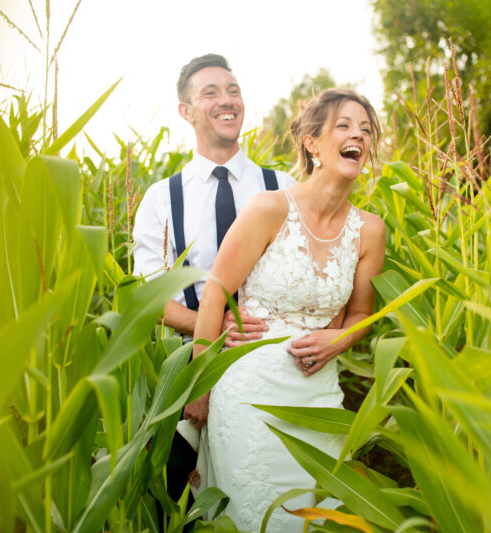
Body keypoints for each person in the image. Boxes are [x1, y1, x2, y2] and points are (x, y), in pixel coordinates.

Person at [184, 88, 386, 532]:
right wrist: (199, 386)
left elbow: (360, 317)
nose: (359, 135)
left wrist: (342, 338)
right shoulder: (270, 208)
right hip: (248, 397)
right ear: (313, 143)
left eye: (367, 130)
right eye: (345, 125)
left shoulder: (370, 232)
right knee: (254, 516)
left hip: (318, 400)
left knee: (317, 517)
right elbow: (216, 295)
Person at [131, 54, 294, 505]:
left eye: (234, 90)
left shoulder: (281, 185)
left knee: (264, 495)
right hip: (189, 370)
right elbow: (149, 298)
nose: (228, 101)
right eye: (211, 93)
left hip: (269, 364)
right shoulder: (161, 198)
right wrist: (211, 329)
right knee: (184, 499)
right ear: (185, 111)